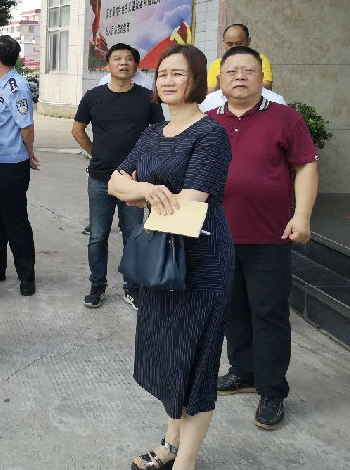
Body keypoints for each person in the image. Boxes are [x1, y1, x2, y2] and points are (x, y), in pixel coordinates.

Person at [109, 44, 233, 470]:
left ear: (197, 80)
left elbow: (188, 204)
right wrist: (146, 190)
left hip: (201, 260)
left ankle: (186, 462)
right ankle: (170, 443)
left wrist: (139, 194)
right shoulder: (152, 133)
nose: (167, 80)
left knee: (195, 361)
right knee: (168, 354)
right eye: (162, 73)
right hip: (159, 258)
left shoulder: (210, 135)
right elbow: (114, 183)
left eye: (178, 73)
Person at [207, 46, 318, 431]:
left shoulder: (286, 119)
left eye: (248, 70)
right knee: (232, 309)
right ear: (219, 80)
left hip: (270, 236)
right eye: (231, 71)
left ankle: (272, 389)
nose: (239, 76)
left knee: (269, 313)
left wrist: (301, 215)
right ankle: (244, 371)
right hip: (218, 236)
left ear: (262, 78)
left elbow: (305, 167)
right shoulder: (207, 121)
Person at [72, 43, 164, 310]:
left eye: (128, 59)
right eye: (117, 58)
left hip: (134, 181)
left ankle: (132, 288)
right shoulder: (94, 96)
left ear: (136, 66)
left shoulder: (147, 98)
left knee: (133, 234)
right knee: (97, 236)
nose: (123, 63)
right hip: (100, 178)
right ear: (108, 65)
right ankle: (97, 285)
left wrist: (144, 166)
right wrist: (95, 153)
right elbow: (77, 130)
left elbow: (159, 135)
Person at [0, 35, 39, 297]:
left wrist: (30, 154)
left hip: (13, 164)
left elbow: (27, 127)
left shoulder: (17, 87)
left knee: (15, 220)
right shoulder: (1, 82)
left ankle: (26, 275)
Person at [207, 23, 273, 93]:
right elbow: (208, 92)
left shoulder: (259, 60)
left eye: (239, 44)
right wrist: (217, 87)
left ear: (248, 41)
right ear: (224, 42)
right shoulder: (216, 64)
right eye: (229, 44)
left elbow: (267, 86)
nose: (234, 48)